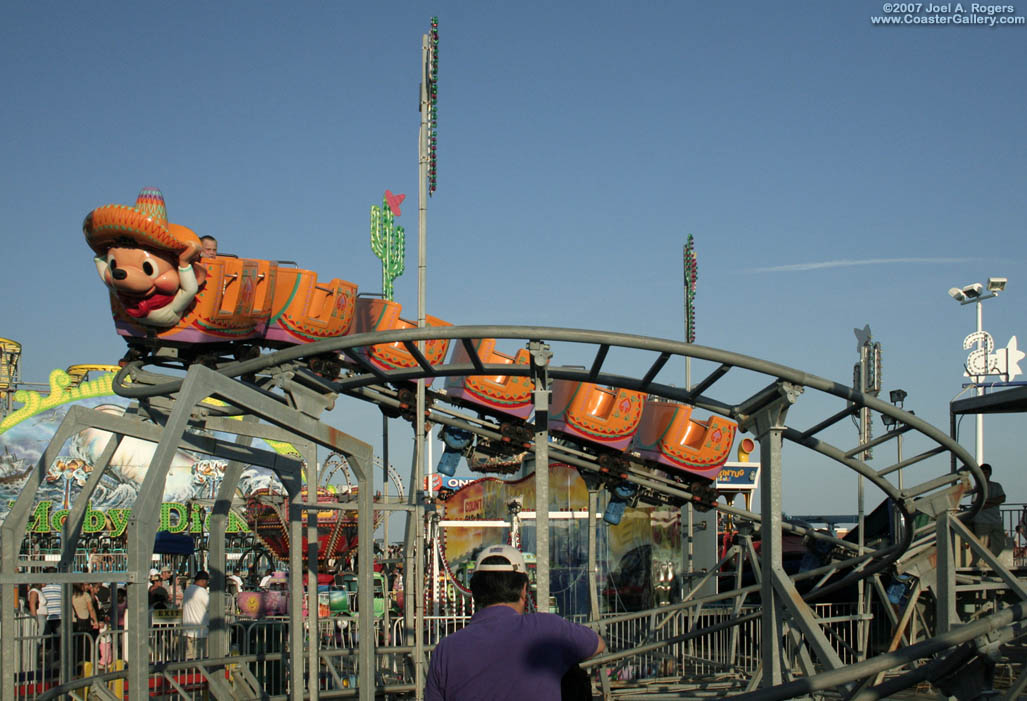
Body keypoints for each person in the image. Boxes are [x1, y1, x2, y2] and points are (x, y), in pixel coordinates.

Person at [425, 545, 605, 701]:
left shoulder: (446, 650)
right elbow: (597, 644)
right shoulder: (548, 628)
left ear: (475, 591)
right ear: (524, 589)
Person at [971, 463, 1007, 566]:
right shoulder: (977, 487)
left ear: (990, 473)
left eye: (986, 473)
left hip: (995, 520)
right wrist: (994, 502)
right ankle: (979, 564)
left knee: (999, 544)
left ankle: (987, 562)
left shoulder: (996, 486)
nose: (984, 475)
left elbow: (1002, 498)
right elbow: (977, 503)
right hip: (981, 521)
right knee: (981, 546)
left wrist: (987, 501)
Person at [181, 571, 210, 659]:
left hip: (187, 630)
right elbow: (211, 607)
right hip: (200, 631)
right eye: (206, 582)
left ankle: (189, 672)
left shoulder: (188, 590)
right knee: (200, 658)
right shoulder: (201, 591)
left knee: (189, 658)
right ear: (203, 581)